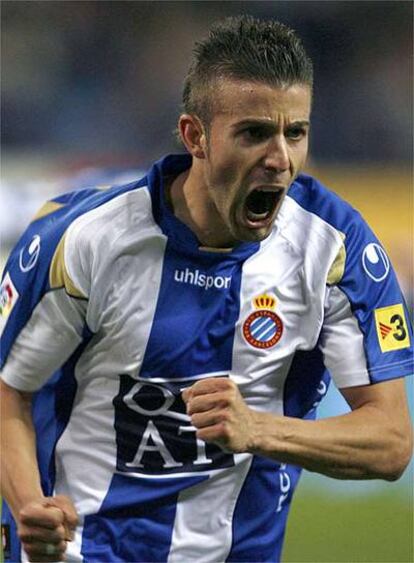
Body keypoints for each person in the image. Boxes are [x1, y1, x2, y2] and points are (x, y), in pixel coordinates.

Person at [1, 15, 412, 563]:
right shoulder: (85, 243)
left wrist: (258, 430)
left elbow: (390, 441)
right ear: (195, 135)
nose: (280, 159)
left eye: (296, 132)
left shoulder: (333, 251)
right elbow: (10, 392)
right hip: (84, 550)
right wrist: (30, 505)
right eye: (254, 133)